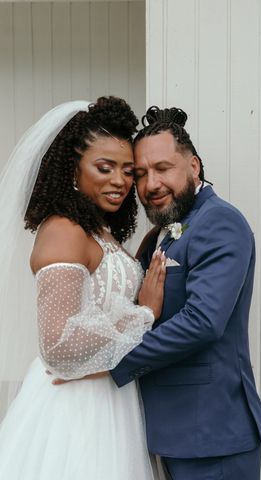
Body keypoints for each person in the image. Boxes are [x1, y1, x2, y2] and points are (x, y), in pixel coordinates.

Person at [0, 97, 166, 479]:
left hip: (111, 398)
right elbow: (59, 345)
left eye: (128, 171)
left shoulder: (98, 231)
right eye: (105, 168)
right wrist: (144, 314)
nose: (120, 181)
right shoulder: (63, 230)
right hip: (75, 410)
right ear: (73, 170)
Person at [110, 106, 261, 480]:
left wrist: (113, 361)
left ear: (193, 166)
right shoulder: (167, 230)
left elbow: (203, 321)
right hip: (171, 430)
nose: (151, 185)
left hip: (212, 434)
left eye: (162, 168)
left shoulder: (220, 223)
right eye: (141, 174)